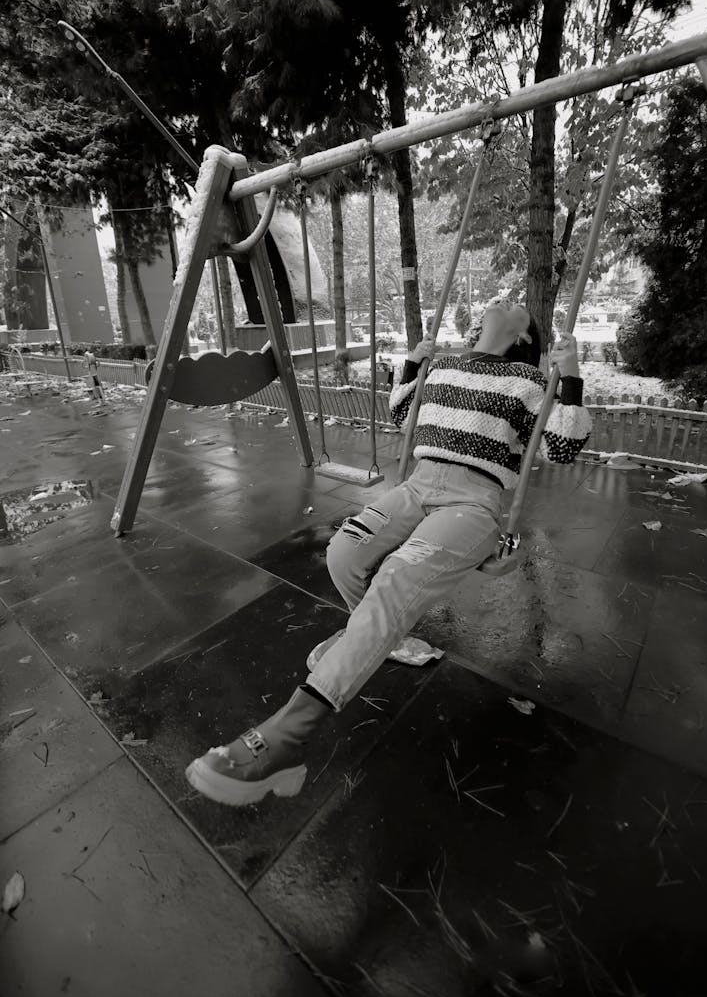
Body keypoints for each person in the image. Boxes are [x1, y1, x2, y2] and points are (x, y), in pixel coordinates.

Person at [186, 298, 592, 807]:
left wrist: (571, 376)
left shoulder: (527, 381)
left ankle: (289, 736)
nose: (503, 301)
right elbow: (402, 413)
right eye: (499, 300)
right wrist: (412, 365)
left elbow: (563, 447)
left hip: (474, 500)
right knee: (343, 554)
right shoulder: (443, 365)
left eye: (517, 307)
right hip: (417, 486)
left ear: (522, 335)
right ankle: (377, 637)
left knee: (397, 576)